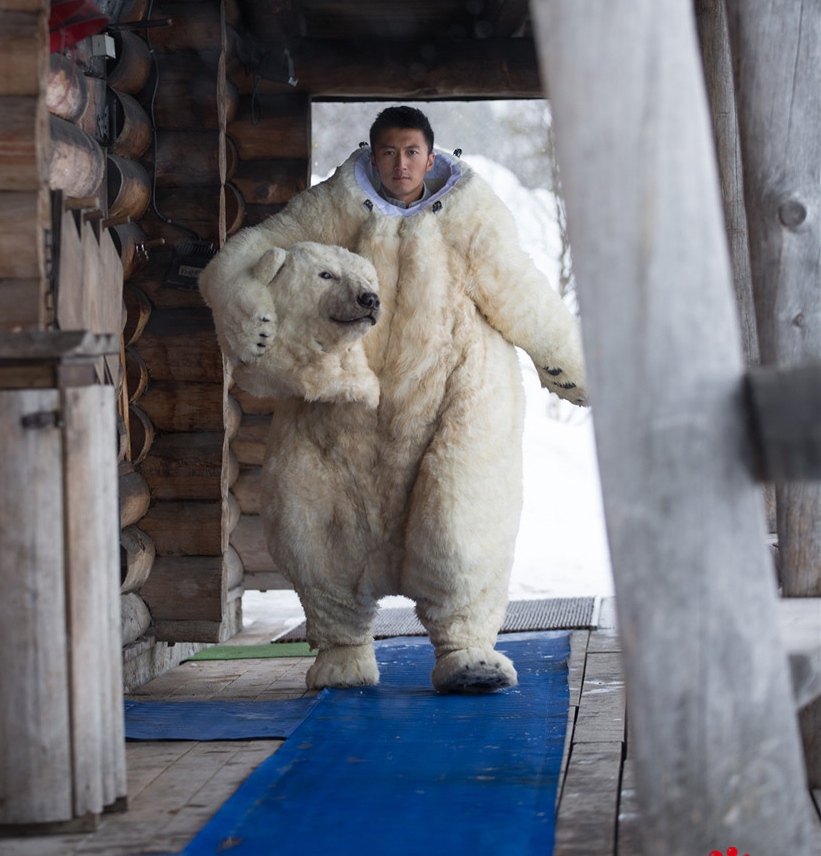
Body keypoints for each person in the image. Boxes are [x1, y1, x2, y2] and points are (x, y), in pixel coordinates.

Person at [201, 106, 587, 694]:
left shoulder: (471, 213)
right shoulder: (333, 206)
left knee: (461, 517)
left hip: (451, 396)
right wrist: (237, 294)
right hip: (343, 411)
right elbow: (255, 249)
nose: (400, 164)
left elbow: (519, 288)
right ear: (371, 155)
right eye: (388, 152)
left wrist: (568, 361)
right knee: (315, 519)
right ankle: (342, 643)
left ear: (430, 158)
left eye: (411, 153)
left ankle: (464, 644)